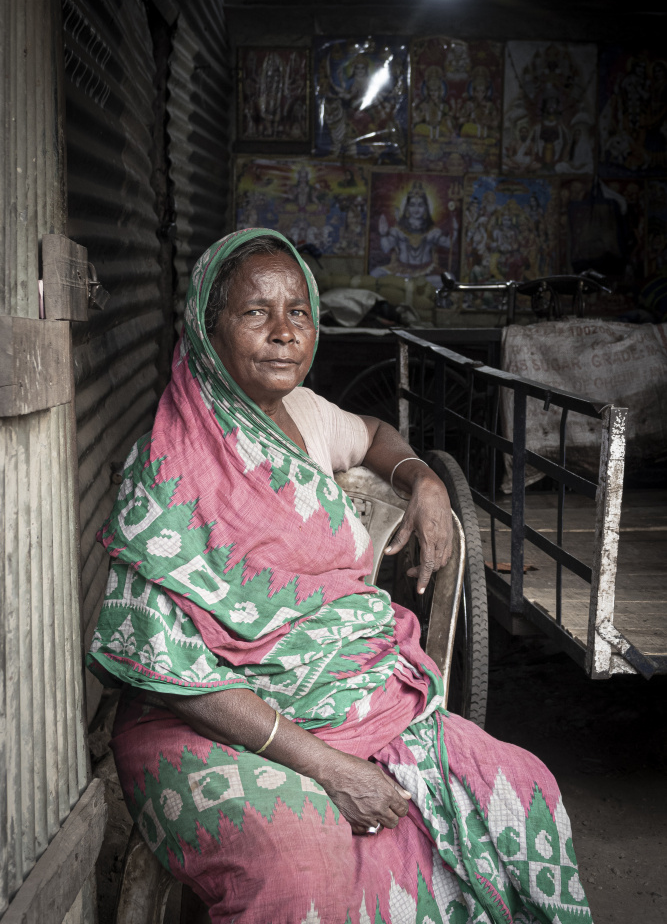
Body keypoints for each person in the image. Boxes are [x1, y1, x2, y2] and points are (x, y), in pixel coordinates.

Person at [88, 228, 592, 924]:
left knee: (515, 784)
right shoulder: (167, 466)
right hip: (204, 724)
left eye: (299, 312)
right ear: (207, 329)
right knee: (303, 856)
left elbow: (379, 434)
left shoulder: (306, 415)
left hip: (347, 693)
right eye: (255, 313)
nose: (283, 333)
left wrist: (424, 484)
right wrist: (327, 768)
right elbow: (174, 670)